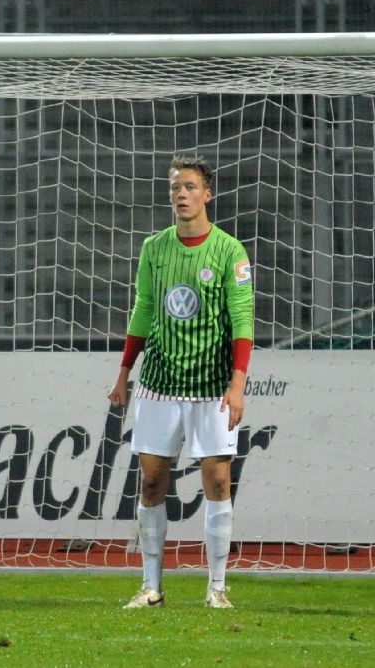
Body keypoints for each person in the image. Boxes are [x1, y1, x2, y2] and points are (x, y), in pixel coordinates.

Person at [108, 154, 254, 610]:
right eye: (175, 187)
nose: (181, 194)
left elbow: (242, 320)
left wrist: (237, 385)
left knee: (217, 481)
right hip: (160, 383)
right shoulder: (155, 248)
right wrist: (124, 373)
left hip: (212, 385)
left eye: (189, 186)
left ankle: (217, 588)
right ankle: (151, 587)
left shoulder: (230, 251)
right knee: (151, 482)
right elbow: (143, 310)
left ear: (207, 194)